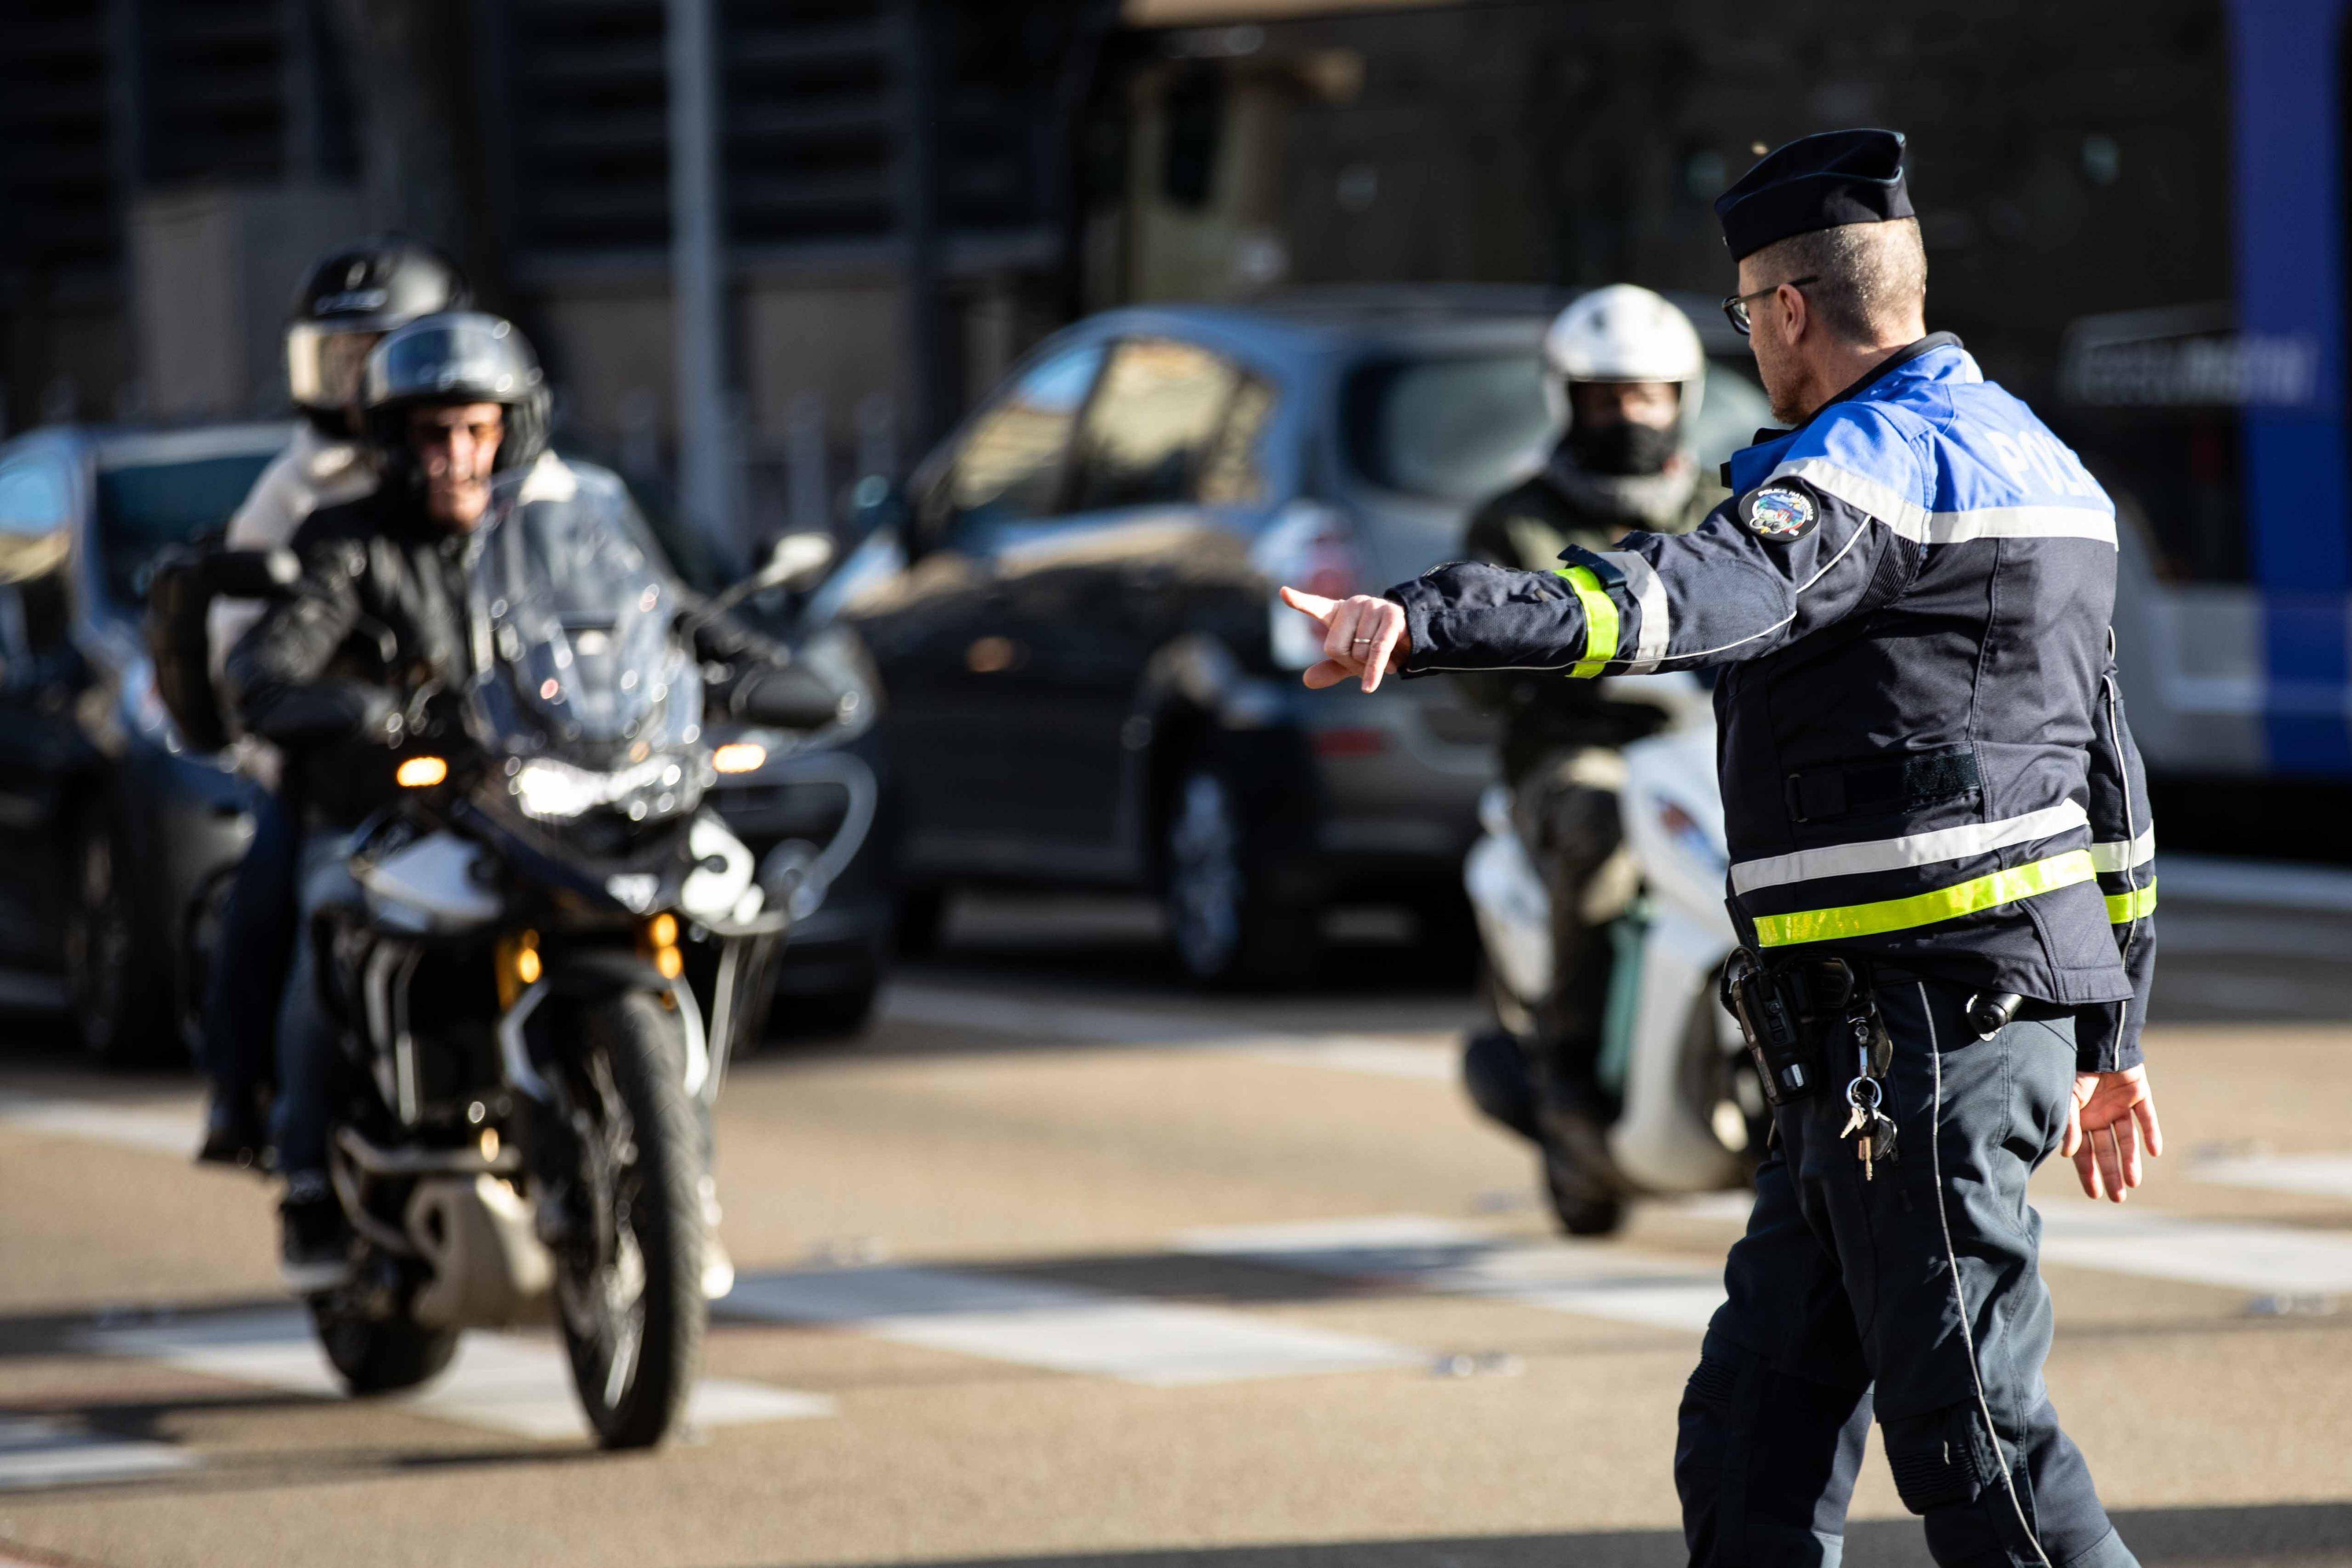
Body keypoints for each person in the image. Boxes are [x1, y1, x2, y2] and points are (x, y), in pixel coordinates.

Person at [1282, 129, 2158, 1568]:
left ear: (1792, 309)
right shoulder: (2045, 463)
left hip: (1918, 1035)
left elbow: (1694, 594)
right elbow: (2107, 779)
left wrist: (1425, 619)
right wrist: (2115, 1031)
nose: (1753, 339)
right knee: (1752, 1435)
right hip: (1881, 1049)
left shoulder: (1871, 462)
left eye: (1749, 314)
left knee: (1980, 1450)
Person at [1454, 285, 1724, 1233]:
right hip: (1574, 759)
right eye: (1606, 398)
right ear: (1567, 400)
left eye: (1646, 395)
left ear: (1680, 397)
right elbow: (1479, 660)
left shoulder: (1719, 504)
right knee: (1599, 829)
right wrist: (1553, 662)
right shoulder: (1515, 521)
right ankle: (1568, 1080)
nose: (1628, 416)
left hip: (1706, 749)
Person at [196, 236, 470, 1166]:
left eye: (378, 357)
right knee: (277, 895)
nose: (357, 385)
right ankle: (255, 1102)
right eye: (339, 360)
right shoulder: (298, 491)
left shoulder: (489, 468)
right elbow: (242, 641)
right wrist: (307, 715)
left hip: (490, 749)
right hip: (339, 754)